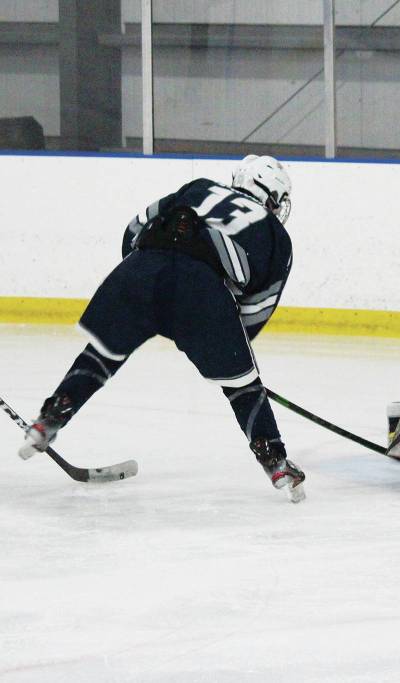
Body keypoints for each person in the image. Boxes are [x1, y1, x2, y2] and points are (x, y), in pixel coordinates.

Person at [17, 155, 306, 502]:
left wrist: (139, 277)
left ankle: (48, 419)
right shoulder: (277, 236)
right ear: (272, 196)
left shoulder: (199, 187)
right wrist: (235, 359)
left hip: (140, 270)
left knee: (103, 355)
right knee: (242, 388)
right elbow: (256, 309)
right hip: (201, 291)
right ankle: (275, 462)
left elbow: (135, 228)